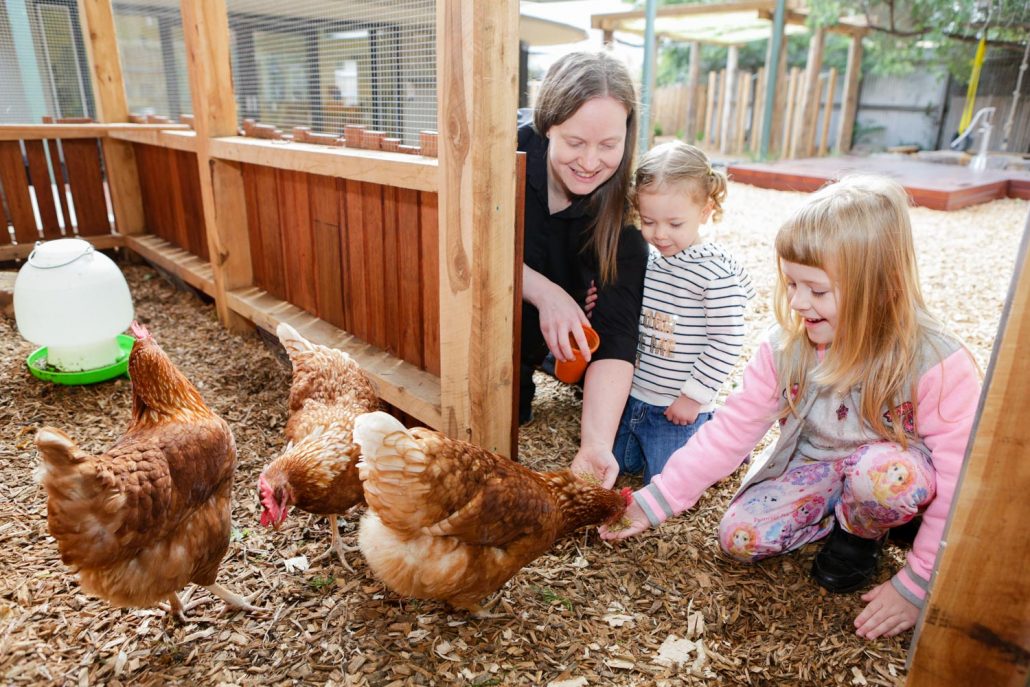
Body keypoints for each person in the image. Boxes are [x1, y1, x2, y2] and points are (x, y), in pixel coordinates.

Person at [601, 175, 981, 641]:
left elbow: (962, 475)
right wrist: (656, 501)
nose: (799, 302)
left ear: (881, 288)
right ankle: (851, 513)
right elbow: (732, 430)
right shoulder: (785, 347)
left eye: (817, 291)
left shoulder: (935, 361)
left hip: (891, 472)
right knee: (738, 539)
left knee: (884, 478)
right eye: (791, 283)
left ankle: (861, 534)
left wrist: (918, 583)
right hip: (817, 468)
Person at [518, 51, 648, 488]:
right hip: (486, 331)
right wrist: (543, 291)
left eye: (609, 145)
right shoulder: (503, 160)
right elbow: (459, 253)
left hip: (549, 341)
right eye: (575, 142)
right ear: (547, 125)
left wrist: (595, 443)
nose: (591, 162)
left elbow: (618, 331)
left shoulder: (625, 221)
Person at [613, 141, 754, 484]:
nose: (659, 234)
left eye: (675, 224)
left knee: (667, 481)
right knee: (619, 466)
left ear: (705, 212)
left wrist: (693, 397)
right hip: (637, 399)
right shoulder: (652, 258)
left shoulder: (713, 272)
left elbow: (728, 338)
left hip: (679, 407)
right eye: (648, 221)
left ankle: (723, 442)